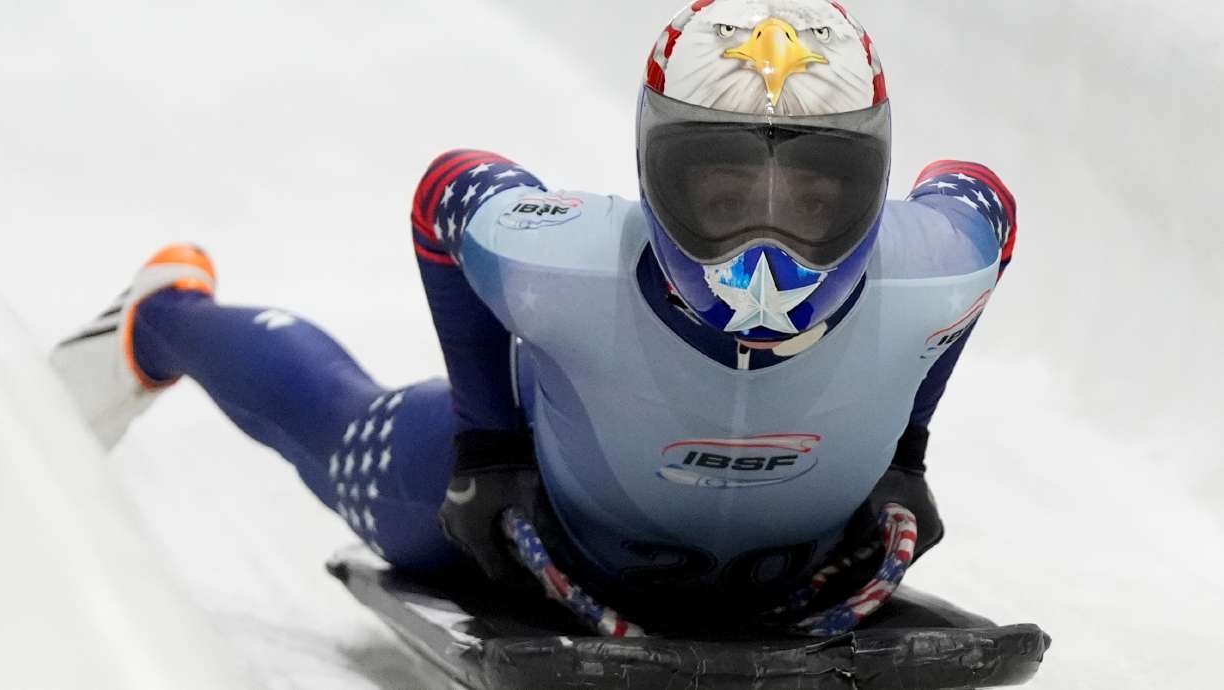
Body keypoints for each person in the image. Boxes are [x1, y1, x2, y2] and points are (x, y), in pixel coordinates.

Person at [51, 0, 1015, 635]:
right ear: (654, 169)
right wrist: (488, 447)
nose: (762, 255)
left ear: (868, 182)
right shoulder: (555, 256)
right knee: (345, 429)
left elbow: (987, 205)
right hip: (547, 509)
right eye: (723, 194)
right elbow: (446, 191)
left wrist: (906, 454)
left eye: (810, 197)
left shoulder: (940, 263)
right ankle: (164, 317)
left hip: (741, 542)